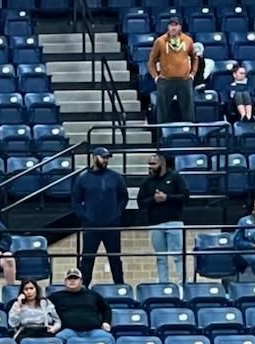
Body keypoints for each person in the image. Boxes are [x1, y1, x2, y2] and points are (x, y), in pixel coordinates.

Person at [71, 148, 129, 286]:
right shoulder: (82, 178)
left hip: (112, 225)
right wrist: (85, 217)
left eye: (107, 157)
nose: (106, 160)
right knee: (87, 259)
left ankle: (120, 287)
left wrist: (117, 213)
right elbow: (76, 201)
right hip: (91, 225)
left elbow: (124, 197)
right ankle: (83, 288)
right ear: (94, 157)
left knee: (115, 259)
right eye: (103, 157)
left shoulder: (115, 177)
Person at [137, 153, 190, 284]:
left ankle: (182, 283)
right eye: (149, 164)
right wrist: (154, 200)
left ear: (162, 164)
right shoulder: (147, 182)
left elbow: (185, 196)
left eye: (153, 164)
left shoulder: (176, 178)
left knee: (178, 256)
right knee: (160, 257)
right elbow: (140, 202)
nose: (150, 167)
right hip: (155, 223)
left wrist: (167, 197)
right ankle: (163, 283)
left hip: (174, 222)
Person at [147, 17, 197, 124]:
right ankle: (161, 136)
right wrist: (155, 77)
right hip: (166, 80)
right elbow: (151, 61)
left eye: (176, 25)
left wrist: (192, 74)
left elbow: (194, 58)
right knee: (163, 111)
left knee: (188, 110)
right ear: (168, 27)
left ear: (180, 27)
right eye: (171, 25)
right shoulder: (160, 41)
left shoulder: (188, 40)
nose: (173, 27)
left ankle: (189, 133)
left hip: (184, 80)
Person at [50, 267, 114, 344]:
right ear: (65, 282)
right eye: (69, 278)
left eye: (75, 278)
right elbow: (44, 308)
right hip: (69, 331)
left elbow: (106, 309)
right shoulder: (55, 297)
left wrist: (106, 322)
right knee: (58, 339)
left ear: (81, 281)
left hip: (93, 331)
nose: (72, 280)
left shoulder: (93, 295)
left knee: (109, 338)